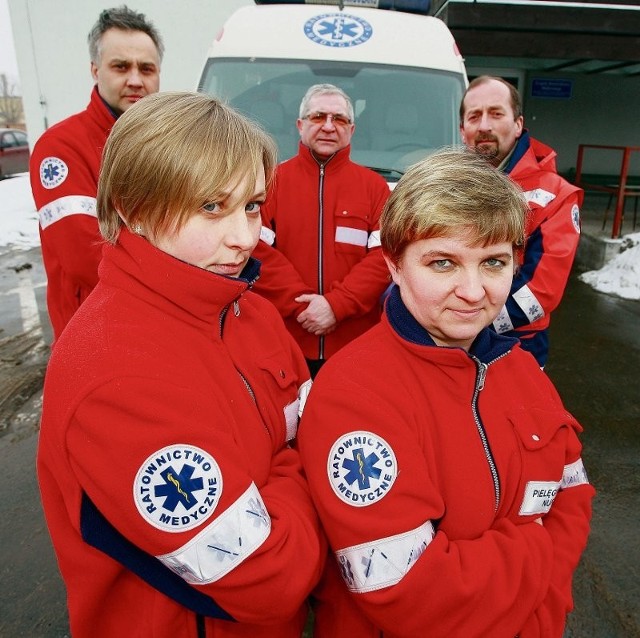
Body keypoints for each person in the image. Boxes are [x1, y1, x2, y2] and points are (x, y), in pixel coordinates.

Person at [37, 92, 325, 638]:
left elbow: (320, 432)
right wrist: (299, 479)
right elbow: (268, 577)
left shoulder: (251, 314)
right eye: (211, 207)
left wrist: (279, 494)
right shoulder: (116, 377)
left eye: (253, 206)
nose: (243, 237)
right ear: (132, 205)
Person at [297, 148, 594, 638]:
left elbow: (573, 492)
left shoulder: (520, 368)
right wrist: (538, 557)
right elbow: (412, 594)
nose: (474, 291)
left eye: (493, 263)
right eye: (443, 263)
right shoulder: (354, 394)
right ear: (393, 265)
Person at [30, 5, 163, 342]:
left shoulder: (167, 143)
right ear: (95, 70)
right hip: (95, 333)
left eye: (146, 68)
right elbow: (84, 256)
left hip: (163, 325)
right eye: (121, 67)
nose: (135, 80)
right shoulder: (61, 147)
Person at [252, 83, 391, 378]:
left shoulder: (375, 189)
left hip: (355, 346)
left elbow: (384, 257)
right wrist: (303, 306)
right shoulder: (270, 182)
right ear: (300, 126)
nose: (329, 126)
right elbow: (255, 249)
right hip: (284, 340)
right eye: (318, 117)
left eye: (339, 119)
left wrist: (335, 306)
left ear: (351, 129)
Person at [459, 75, 583, 367]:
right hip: (444, 340)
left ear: (518, 124)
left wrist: (465, 325)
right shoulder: (444, 183)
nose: (485, 126)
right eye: (474, 116)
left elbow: (541, 291)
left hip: (515, 346)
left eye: (496, 113)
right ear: (463, 130)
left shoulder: (556, 195)